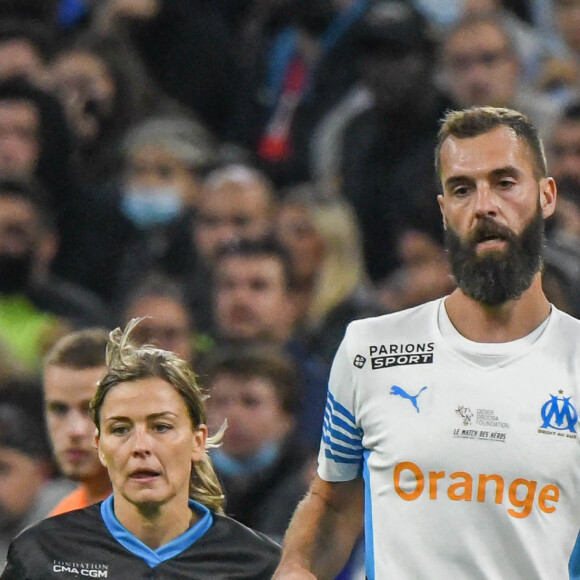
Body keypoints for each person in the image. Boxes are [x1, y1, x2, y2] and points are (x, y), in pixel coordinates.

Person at [273, 106, 580, 579]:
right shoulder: (369, 350)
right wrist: (295, 565)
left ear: (546, 196)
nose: (484, 205)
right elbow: (334, 506)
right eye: (462, 188)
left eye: (505, 182)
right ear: (444, 210)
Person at [2, 318, 281, 578]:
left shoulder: (259, 564)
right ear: (100, 445)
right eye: (120, 429)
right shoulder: (41, 554)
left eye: (160, 427)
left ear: (197, 441)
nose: (140, 447)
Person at [204, 346, 310, 543]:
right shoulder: (185, 484)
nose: (233, 415)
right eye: (221, 402)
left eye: (250, 402)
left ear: (286, 418)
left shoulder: (311, 485)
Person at [42, 328, 112, 515]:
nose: (75, 431)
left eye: (90, 410)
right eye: (59, 409)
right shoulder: (61, 517)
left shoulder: (167, 517)